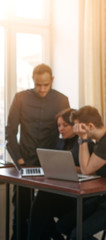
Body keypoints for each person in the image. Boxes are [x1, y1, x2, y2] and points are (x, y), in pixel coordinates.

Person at [5, 63, 70, 240]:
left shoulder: (62, 100)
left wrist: (58, 160)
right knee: (21, 208)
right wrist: (19, 160)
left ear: (52, 81)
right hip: (24, 162)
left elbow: (65, 132)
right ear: (33, 81)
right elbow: (10, 131)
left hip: (50, 164)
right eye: (38, 85)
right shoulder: (20, 98)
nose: (41, 89)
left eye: (45, 85)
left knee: (43, 211)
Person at [56, 105, 106, 240]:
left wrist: (82, 138)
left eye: (78, 126)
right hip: (104, 197)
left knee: (79, 235)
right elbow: (87, 168)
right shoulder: (100, 141)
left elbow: (86, 169)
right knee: (63, 226)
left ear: (90, 126)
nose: (76, 130)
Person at [27, 108, 94, 240]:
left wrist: (70, 168)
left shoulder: (85, 143)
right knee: (40, 206)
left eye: (65, 125)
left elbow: (89, 170)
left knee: (40, 208)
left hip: (79, 197)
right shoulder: (61, 142)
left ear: (75, 126)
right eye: (58, 125)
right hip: (64, 192)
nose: (61, 129)